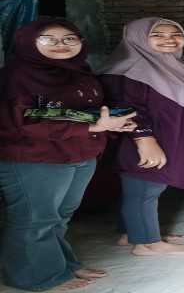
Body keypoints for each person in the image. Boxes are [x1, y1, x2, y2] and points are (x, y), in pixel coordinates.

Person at [0, 20, 137, 291]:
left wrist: (111, 123)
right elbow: (22, 119)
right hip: (35, 157)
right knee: (34, 219)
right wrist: (91, 126)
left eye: (69, 39)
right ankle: (37, 277)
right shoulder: (17, 75)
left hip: (79, 153)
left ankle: (62, 264)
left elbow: (80, 111)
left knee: (60, 215)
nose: (61, 45)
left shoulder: (80, 73)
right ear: (28, 42)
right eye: (48, 39)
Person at [97, 17, 184, 256]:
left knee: (142, 188)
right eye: (157, 35)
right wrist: (144, 140)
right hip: (147, 140)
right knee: (144, 188)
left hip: (166, 136)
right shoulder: (127, 69)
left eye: (175, 34)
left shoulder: (166, 65)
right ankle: (147, 243)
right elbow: (124, 109)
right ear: (137, 38)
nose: (169, 40)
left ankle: (131, 233)